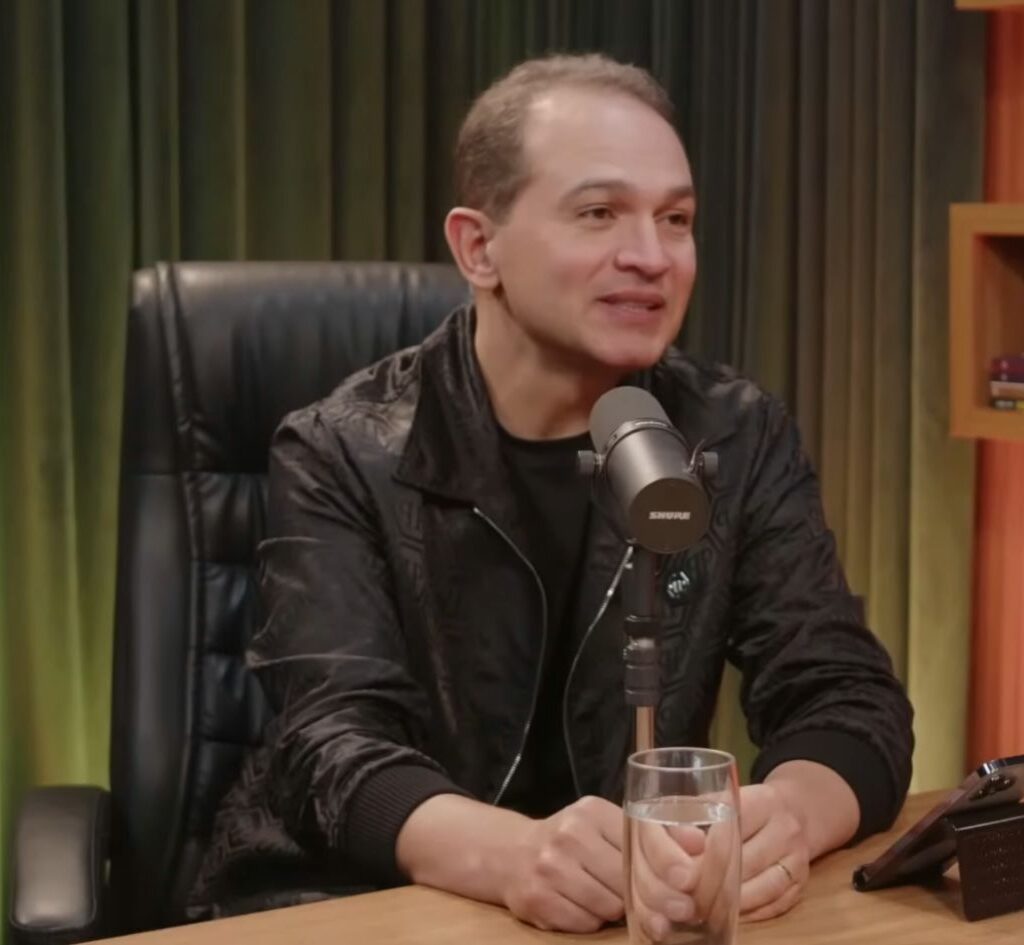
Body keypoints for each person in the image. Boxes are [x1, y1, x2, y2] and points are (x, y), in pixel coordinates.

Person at [190, 54, 913, 937]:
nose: (651, 256)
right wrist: (514, 854)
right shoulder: (342, 447)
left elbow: (846, 693)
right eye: (599, 212)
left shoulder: (734, 434)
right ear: (478, 247)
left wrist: (790, 814)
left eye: (676, 219)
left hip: (622, 913)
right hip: (361, 905)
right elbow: (329, 747)